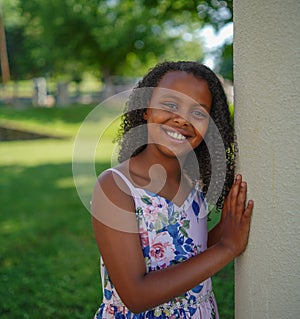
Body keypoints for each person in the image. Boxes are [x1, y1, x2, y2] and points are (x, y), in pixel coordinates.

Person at [91, 61, 254, 319]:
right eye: (170, 105)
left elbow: (187, 254)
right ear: (145, 109)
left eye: (199, 113)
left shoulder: (194, 183)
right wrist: (226, 249)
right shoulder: (117, 187)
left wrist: (225, 229)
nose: (182, 119)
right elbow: (136, 295)